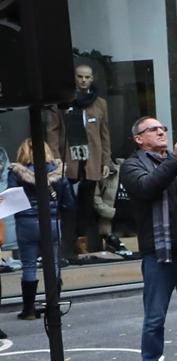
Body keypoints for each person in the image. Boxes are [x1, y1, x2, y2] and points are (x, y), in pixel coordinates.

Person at [120, 117, 177, 361]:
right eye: (153, 129)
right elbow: (147, 187)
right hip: (157, 254)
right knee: (155, 317)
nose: (161, 131)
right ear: (139, 138)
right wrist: (176, 159)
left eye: (163, 128)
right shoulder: (132, 165)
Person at [46, 64, 113, 255]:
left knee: (87, 205)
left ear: (92, 79)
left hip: (91, 161)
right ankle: (65, 246)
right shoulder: (61, 101)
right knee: (66, 204)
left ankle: (84, 245)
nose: (83, 80)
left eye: (87, 77)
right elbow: (52, 132)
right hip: (68, 161)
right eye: (80, 76)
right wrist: (56, 159)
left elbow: (104, 134)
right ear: (74, 78)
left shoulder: (100, 103)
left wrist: (106, 161)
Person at [8, 139, 75, 320]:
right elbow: (69, 203)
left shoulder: (15, 173)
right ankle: (53, 307)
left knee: (29, 266)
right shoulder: (58, 172)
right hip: (52, 223)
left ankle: (28, 310)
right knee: (53, 265)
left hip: (26, 224)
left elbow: (11, 198)